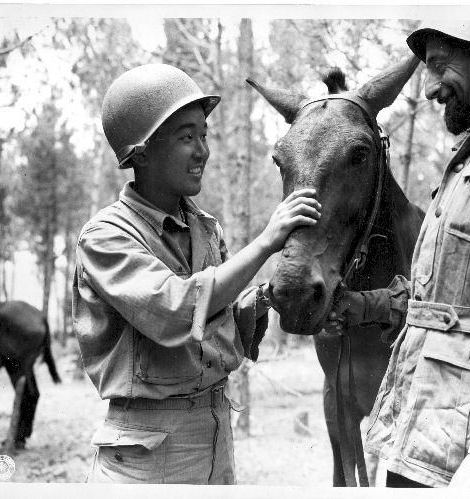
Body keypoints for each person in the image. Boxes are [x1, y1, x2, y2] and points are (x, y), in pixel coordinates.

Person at [326, 21, 470, 489]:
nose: (429, 88)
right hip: (421, 441)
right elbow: (448, 304)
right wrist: (361, 306)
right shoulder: (469, 160)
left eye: (438, 66)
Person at [73, 64, 321, 484]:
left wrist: (260, 299)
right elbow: (174, 311)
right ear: (141, 152)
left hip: (215, 433)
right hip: (146, 453)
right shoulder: (105, 237)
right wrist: (265, 243)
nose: (203, 150)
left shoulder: (206, 229)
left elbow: (217, 324)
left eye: (204, 135)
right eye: (187, 137)